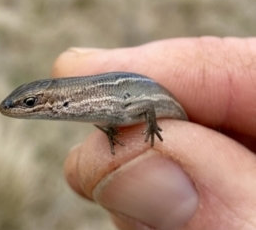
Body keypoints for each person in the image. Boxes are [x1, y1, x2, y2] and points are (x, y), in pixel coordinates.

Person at [52, 37, 256, 230]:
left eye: (31, 103)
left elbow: (148, 104)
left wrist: (152, 126)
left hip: (174, 113)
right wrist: (112, 131)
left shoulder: (109, 103)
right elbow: (106, 118)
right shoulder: (97, 107)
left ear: (57, 101)